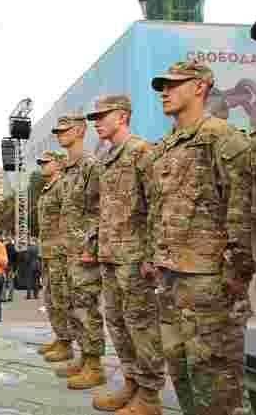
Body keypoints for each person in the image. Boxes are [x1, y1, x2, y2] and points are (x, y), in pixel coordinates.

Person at [145, 60, 252, 415]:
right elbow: (157, 208)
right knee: (181, 372)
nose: (165, 91)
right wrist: (153, 258)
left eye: (173, 84)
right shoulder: (166, 147)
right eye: (162, 86)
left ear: (200, 86)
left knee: (217, 383)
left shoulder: (224, 138)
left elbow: (243, 211)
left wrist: (235, 277)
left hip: (209, 284)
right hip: (170, 279)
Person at [86, 95, 165, 414]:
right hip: (110, 255)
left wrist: (152, 255)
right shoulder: (107, 157)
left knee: (141, 326)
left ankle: (150, 396)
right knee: (117, 324)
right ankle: (132, 383)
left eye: (102, 115)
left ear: (122, 116)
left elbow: (158, 204)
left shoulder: (141, 151)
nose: (97, 122)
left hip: (135, 258)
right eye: (95, 117)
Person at [53, 112, 105, 390]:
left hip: (84, 250)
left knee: (87, 307)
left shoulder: (90, 165)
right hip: (68, 249)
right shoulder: (67, 169)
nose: (61, 134)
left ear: (81, 130)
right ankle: (84, 358)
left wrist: (91, 246)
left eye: (66, 129)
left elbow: (100, 209)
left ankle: (94, 365)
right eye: (58, 131)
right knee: (73, 306)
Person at [36, 149, 76, 364]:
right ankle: (60, 337)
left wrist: (65, 248)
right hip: (48, 252)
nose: (42, 165)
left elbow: (69, 218)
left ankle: (66, 342)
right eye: (41, 163)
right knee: (51, 298)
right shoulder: (47, 188)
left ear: (59, 163)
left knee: (61, 298)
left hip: (60, 253)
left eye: (46, 162)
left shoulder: (63, 185)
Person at [2, 237, 17, 302]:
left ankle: (3, 297)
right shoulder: (14, 248)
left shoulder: (3, 248)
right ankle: (10, 297)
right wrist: (15, 269)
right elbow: (16, 260)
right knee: (11, 282)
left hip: (4, 266)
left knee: (4, 282)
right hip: (11, 267)